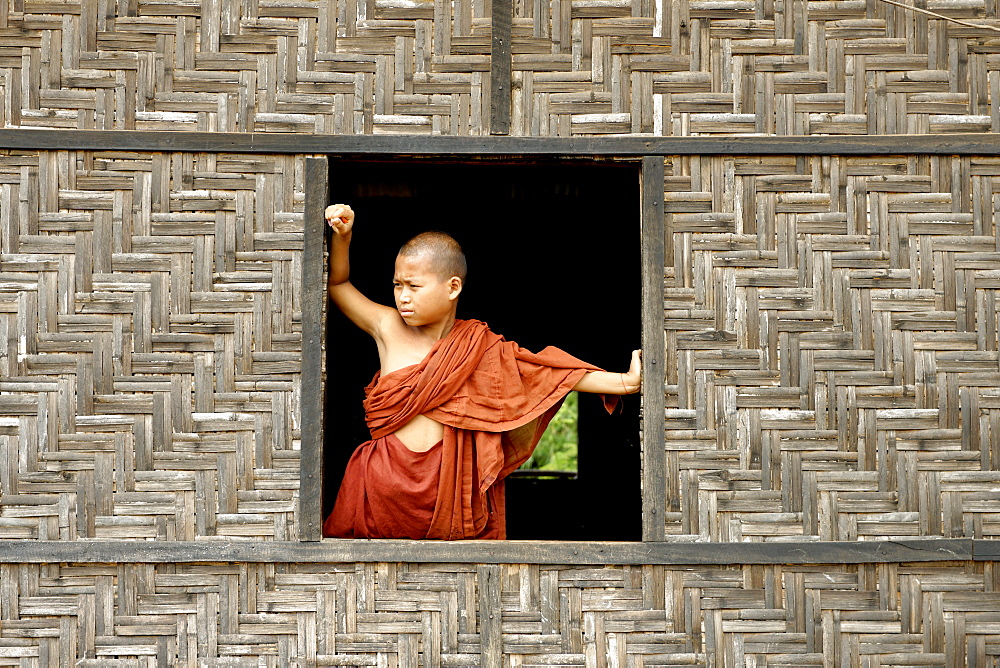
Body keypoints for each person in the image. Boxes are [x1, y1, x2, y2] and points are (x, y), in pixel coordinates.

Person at [321, 203, 641, 540]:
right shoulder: (387, 327)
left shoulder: (480, 347)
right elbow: (338, 285)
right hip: (381, 489)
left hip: (449, 495)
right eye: (397, 285)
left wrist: (626, 382)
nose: (403, 297)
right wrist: (344, 237)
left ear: (453, 287)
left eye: (414, 287)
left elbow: (549, 375)